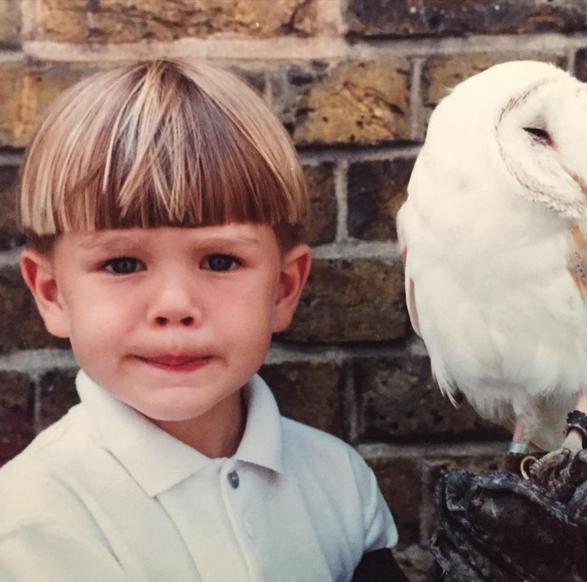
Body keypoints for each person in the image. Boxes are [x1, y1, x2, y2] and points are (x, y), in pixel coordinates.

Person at [0, 59, 407, 581]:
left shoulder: (339, 481)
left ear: (283, 288)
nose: (174, 304)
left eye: (220, 261)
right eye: (122, 264)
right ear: (53, 293)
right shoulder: (31, 520)